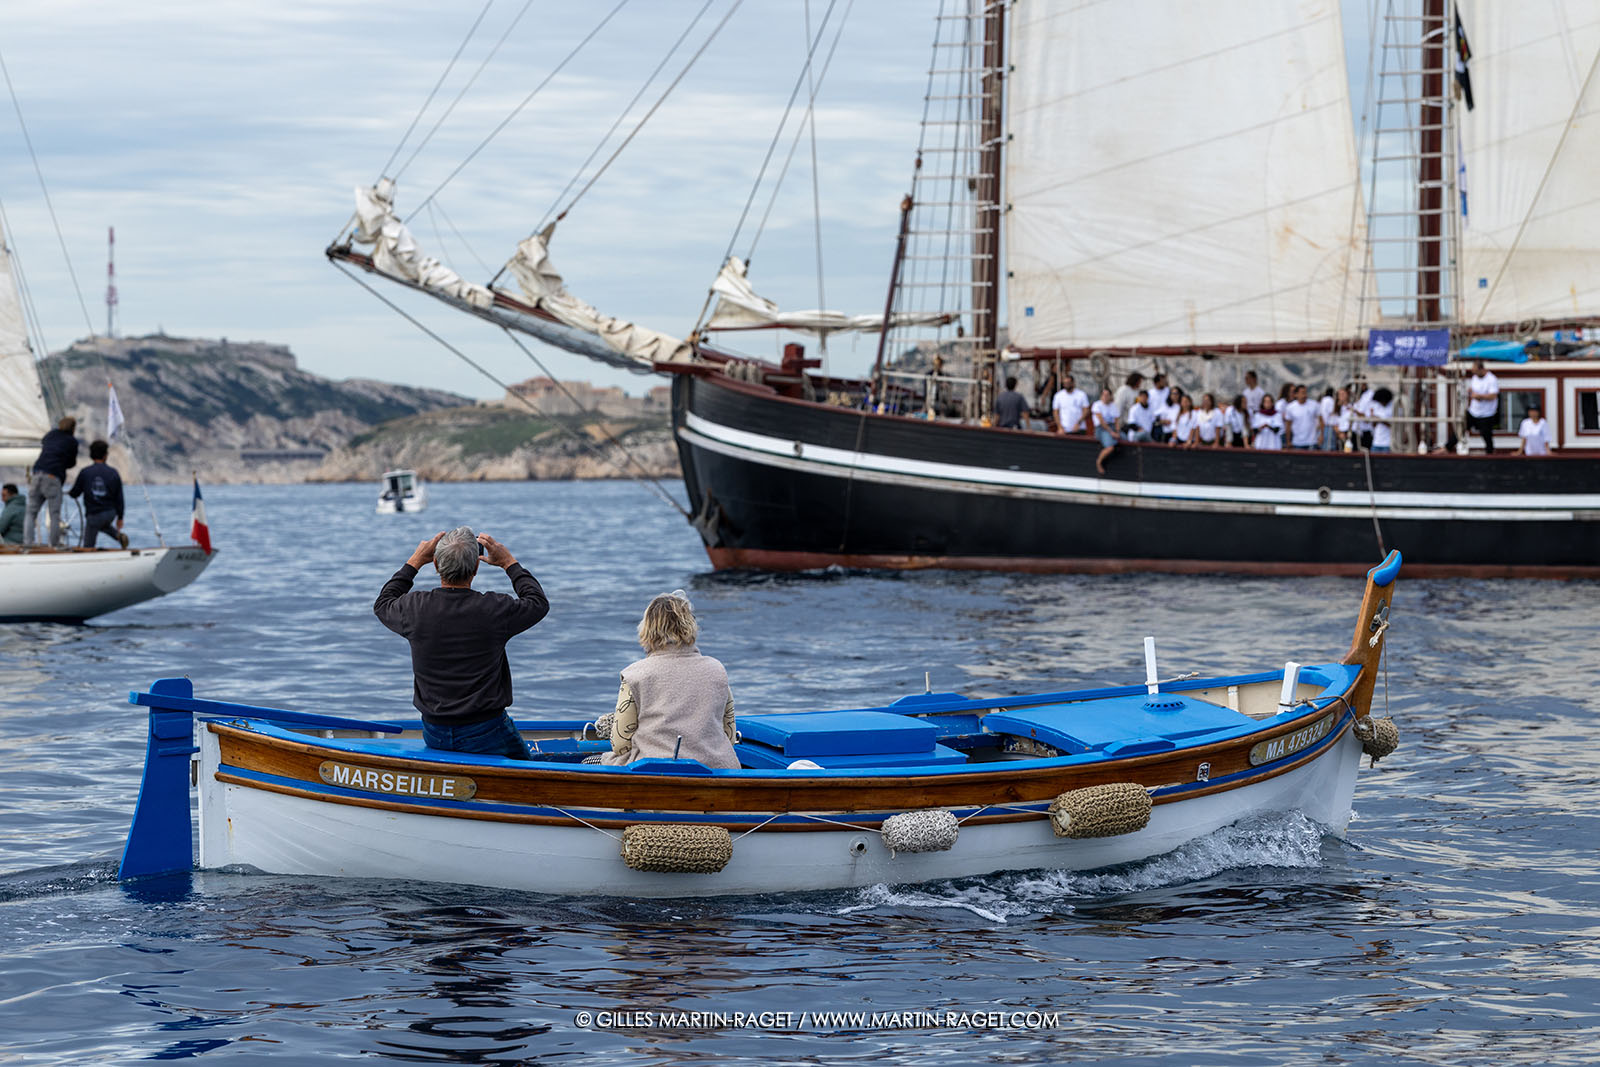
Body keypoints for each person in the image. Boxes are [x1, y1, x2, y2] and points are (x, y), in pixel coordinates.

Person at [374, 527, 550, 759]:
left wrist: (415, 560)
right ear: (476, 568)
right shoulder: (495, 609)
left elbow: (383, 602)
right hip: (486, 730)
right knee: (532, 779)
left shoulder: (414, 609)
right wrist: (509, 563)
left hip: (433, 730)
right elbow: (537, 602)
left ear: (436, 565)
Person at [603, 590, 739, 769]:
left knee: (591, 761)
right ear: (691, 626)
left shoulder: (635, 675)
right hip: (716, 769)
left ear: (647, 629)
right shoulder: (717, 670)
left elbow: (620, 745)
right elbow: (729, 735)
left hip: (653, 770)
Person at [24, 416, 77, 547]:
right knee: (54, 514)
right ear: (73, 428)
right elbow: (71, 462)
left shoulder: (50, 435)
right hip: (53, 478)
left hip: (37, 474)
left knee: (31, 512)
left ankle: (27, 543)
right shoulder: (71, 441)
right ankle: (54, 544)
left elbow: (45, 443)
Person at [66, 440, 129, 549]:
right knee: (103, 524)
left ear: (91, 455)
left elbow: (75, 492)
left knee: (88, 545)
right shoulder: (113, 472)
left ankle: (88, 557)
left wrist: (70, 494)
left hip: (94, 515)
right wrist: (120, 517)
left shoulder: (85, 472)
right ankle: (117, 536)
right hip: (110, 513)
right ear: (105, 455)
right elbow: (119, 498)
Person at [1466, 360, 1500, 452]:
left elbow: (1493, 396)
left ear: (1481, 369)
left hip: (1487, 413)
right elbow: (1473, 390)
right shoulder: (1475, 377)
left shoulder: (1492, 379)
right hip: (1473, 411)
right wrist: (1471, 392)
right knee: (1461, 429)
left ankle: (1490, 454)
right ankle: (1447, 448)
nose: (1475, 374)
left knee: (1486, 435)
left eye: (1476, 371)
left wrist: (1479, 396)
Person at [1282, 384, 1322, 450]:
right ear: (1296, 394)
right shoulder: (1290, 407)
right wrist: (1288, 441)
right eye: (1302, 393)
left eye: (1305, 392)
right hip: (1297, 442)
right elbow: (1288, 425)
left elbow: (1321, 420)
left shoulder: (1314, 405)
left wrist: (1321, 435)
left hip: (1311, 442)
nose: (1305, 395)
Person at [1090, 386, 1120, 473]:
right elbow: (1101, 422)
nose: (1105, 397)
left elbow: (1117, 421)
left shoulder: (1113, 406)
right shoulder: (1097, 405)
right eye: (1103, 395)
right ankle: (1099, 462)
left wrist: (1117, 432)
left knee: (1125, 438)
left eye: (1107, 395)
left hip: (1112, 427)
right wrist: (1112, 433)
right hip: (1101, 429)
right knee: (1110, 447)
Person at [1368, 387, 1396, 453]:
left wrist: (1380, 420)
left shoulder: (1393, 408)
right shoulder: (1377, 407)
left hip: (1388, 443)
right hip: (1376, 442)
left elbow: (1394, 426)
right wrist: (1374, 419)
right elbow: (1373, 425)